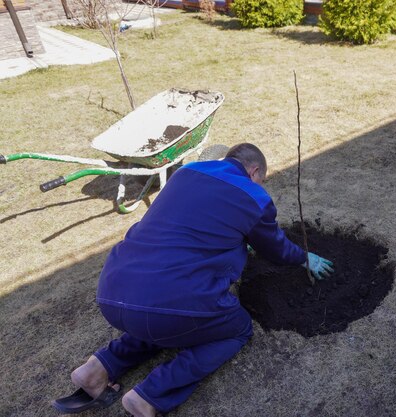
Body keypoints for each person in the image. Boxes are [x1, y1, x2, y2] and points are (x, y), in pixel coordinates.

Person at [53, 143, 334, 416]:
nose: (260, 185)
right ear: (255, 171)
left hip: (113, 291)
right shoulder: (254, 196)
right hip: (170, 301)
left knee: (162, 317)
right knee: (236, 328)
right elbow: (274, 247)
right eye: (262, 179)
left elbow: (192, 225)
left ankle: (96, 369)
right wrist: (303, 257)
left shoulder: (186, 174)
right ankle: (150, 394)